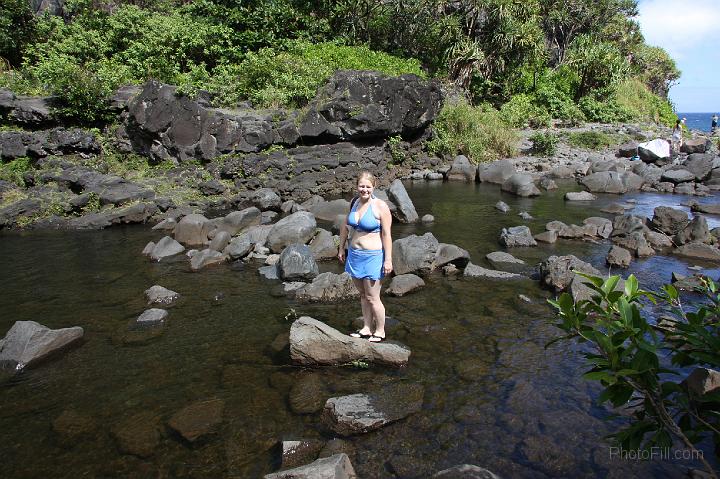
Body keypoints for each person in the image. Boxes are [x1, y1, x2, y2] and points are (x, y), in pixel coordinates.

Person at [338, 171, 393, 342]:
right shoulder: (353, 203)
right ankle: (366, 328)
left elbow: (386, 234)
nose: (365, 189)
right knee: (363, 295)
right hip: (354, 255)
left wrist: (388, 259)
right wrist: (341, 249)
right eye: (362, 186)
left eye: (368, 186)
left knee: (373, 296)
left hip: (373, 257)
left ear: (373, 187)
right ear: (357, 186)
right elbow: (345, 227)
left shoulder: (380, 206)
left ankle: (380, 331)